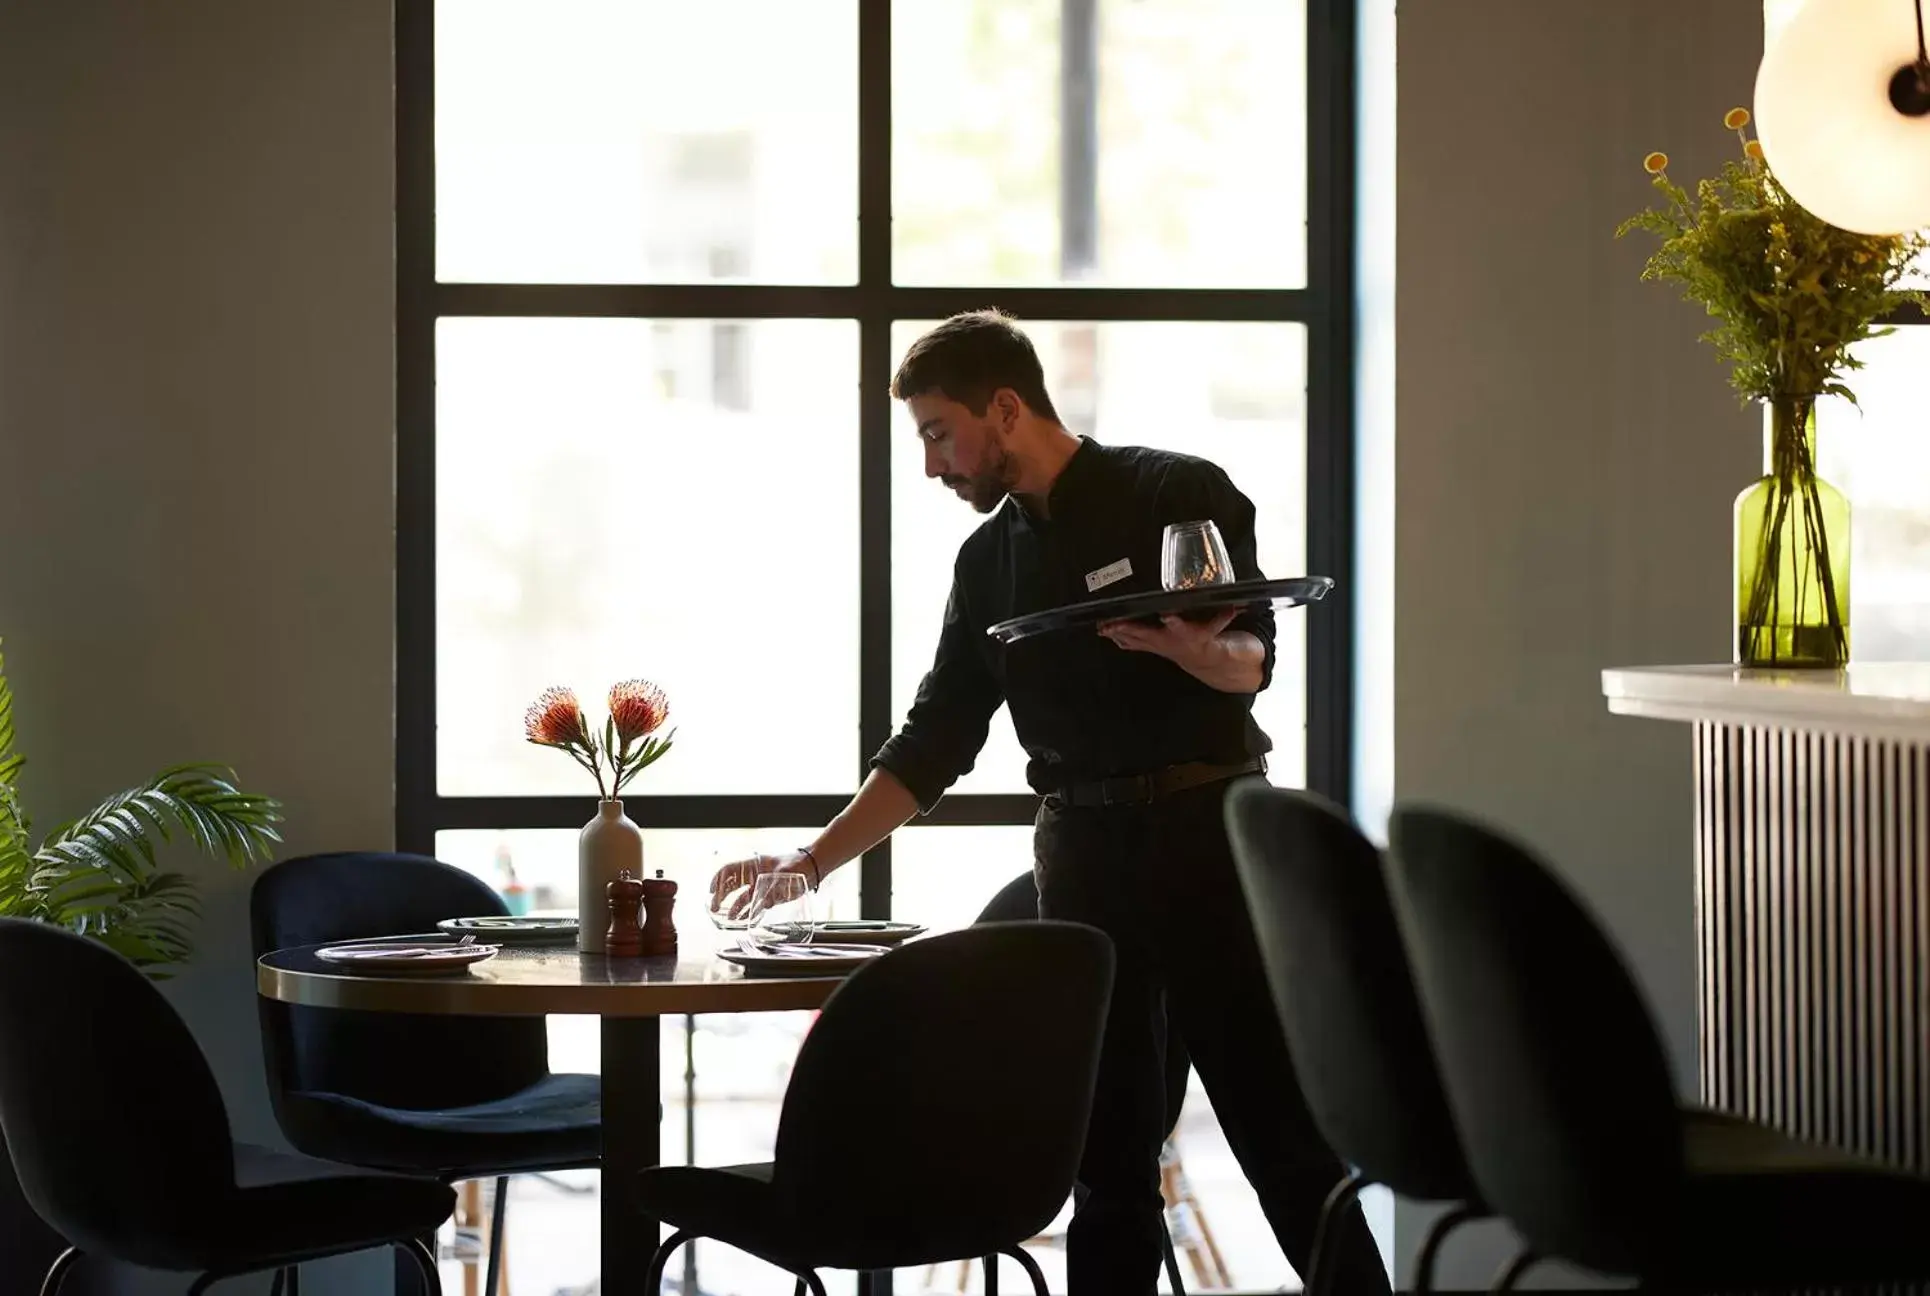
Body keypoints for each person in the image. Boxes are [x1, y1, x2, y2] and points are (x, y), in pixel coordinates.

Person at [711, 310, 1388, 1295]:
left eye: (939, 432)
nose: (933, 464)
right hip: (1080, 859)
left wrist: (1201, 653)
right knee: (1105, 1164)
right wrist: (807, 863)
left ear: (1005, 405)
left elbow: (1252, 658)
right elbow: (936, 736)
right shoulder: (989, 562)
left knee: (1280, 1140)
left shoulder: (1173, 489)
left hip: (1210, 842)